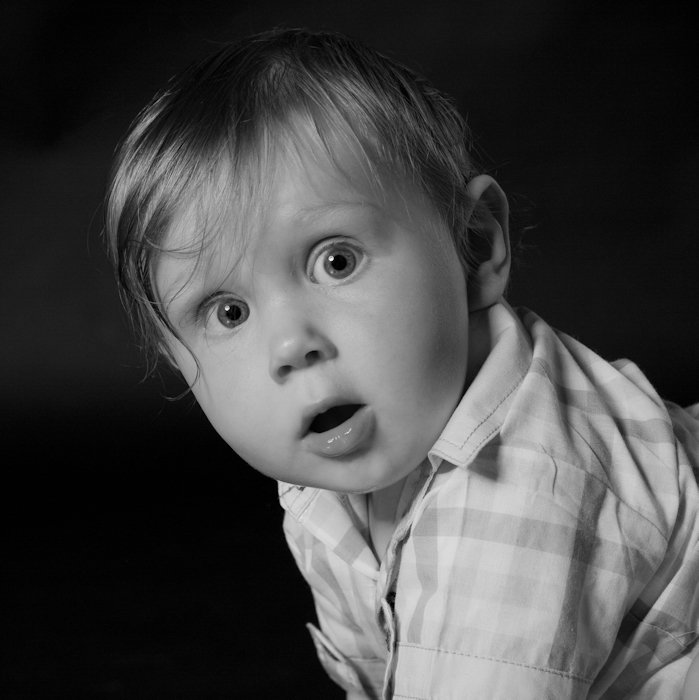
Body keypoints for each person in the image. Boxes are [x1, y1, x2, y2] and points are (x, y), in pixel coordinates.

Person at [104, 28, 699, 699]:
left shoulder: (522, 498)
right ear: (178, 360)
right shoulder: (338, 459)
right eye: (229, 312)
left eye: (336, 262)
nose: (291, 345)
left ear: (473, 246)